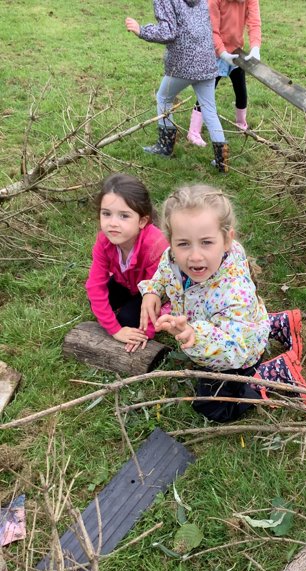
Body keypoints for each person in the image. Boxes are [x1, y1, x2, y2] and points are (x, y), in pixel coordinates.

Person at [138, 184, 306, 422]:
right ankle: (278, 324)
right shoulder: (175, 260)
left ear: (227, 240)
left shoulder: (234, 292)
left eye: (206, 242)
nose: (195, 256)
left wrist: (194, 336)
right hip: (235, 325)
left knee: (214, 408)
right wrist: (153, 291)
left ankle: (271, 374)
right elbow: (165, 270)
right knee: (241, 326)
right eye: (184, 244)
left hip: (238, 351)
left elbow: (234, 351)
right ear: (171, 242)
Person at [125, 0, 229, 172]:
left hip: (183, 64)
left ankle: (165, 146)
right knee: (209, 109)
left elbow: (168, 32)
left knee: (163, 97)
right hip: (207, 60)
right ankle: (221, 160)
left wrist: (141, 30)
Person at [85, 173, 169, 353]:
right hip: (127, 283)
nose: (113, 223)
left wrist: (145, 332)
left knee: (128, 319)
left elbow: (157, 291)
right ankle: (127, 306)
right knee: (96, 302)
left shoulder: (155, 246)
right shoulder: (104, 241)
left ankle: (167, 310)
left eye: (124, 216)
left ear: (142, 221)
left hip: (154, 290)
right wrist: (114, 330)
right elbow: (95, 285)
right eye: (106, 214)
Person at [187, 0, 262, 147]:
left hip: (236, 52)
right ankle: (193, 131)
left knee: (240, 90)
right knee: (207, 93)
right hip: (215, 52)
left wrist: (255, 47)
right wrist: (222, 52)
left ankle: (241, 123)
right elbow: (212, 30)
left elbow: (254, 23)